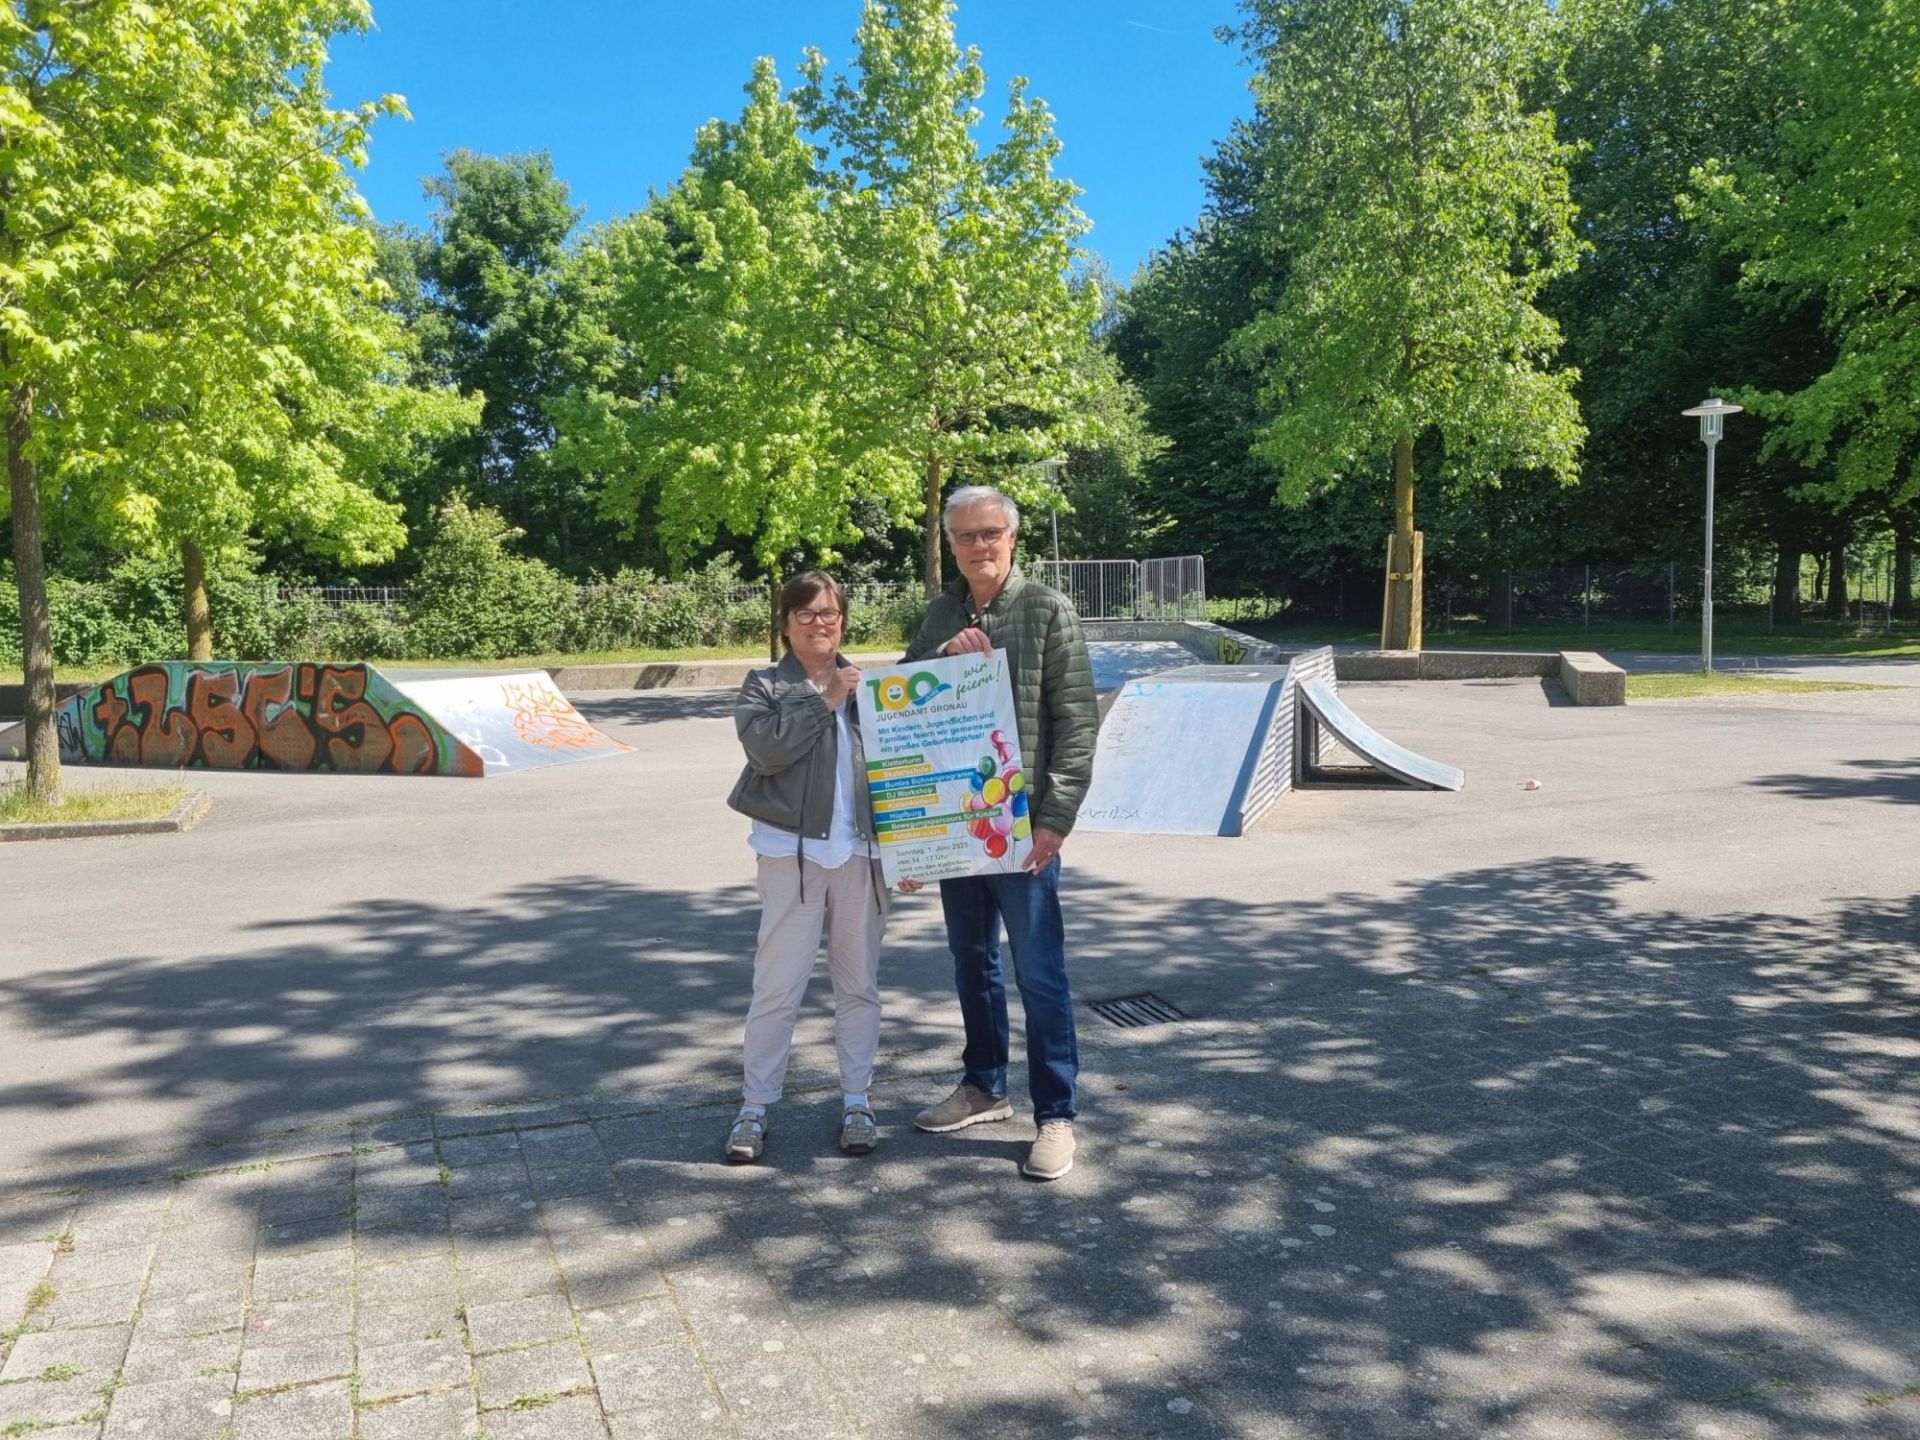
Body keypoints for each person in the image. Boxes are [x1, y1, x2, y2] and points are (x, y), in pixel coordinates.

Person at [904, 486, 1098, 1180]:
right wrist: (942, 662)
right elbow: (901, 707)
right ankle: (984, 1086)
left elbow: (1077, 723)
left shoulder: (1046, 610)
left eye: (990, 533)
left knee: (1039, 974)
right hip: (960, 825)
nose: (979, 546)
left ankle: (1056, 1113)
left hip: (1022, 830)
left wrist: (1055, 818)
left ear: (1013, 538)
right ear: (950, 545)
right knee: (971, 964)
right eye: (964, 536)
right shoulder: (939, 615)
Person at [724, 570, 891, 1162]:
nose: (821, 623)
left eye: (831, 613)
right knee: (777, 987)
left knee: (859, 987)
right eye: (807, 614)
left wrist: (910, 850)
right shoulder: (764, 686)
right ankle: (754, 1108)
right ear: (786, 624)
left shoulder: (874, 687)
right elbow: (766, 752)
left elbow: (907, 771)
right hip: (790, 856)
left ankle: (856, 1101)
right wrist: (826, 702)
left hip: (862, 858)